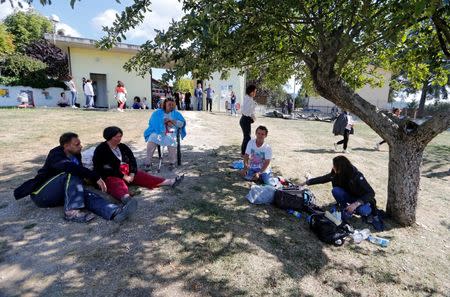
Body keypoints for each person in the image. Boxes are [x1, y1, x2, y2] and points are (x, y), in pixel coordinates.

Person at [13, 132, 137, 223]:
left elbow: (81, 174)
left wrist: (95, 181)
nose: (81, 146)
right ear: (66, 146)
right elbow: (71, 168)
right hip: (42, 194)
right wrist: (95, 177)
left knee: (87, 194)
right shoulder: (56, 155)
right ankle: (71, 212)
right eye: (77, 144)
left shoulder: (76, 155)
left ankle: (115, 213)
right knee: (71, 173)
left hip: (63, 193)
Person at [93, 126, 184, 203]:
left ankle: (170, 182)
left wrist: (132, 173)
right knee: (117, 184)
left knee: (143, 176)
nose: (119, 138)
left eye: (120, 136)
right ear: (109, 137)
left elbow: (132, 159)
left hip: (127, 172)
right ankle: (126, 198)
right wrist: (123, 176)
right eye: (117, 137)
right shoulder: (101, 149)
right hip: (111, 175)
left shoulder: (122, 146)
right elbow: (104, 167)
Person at [301, 155, 384, 231]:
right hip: (349, 196)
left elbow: (371, 193)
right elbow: (323, 179)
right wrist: (306, 182)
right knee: (336, 190)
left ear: (341, 167)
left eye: (334, 166)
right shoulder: (336, 174)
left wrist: (356, 204)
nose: (333, 167)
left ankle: (367, 213)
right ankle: (345, 208)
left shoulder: (356, 176)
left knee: (363, 210)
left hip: (360, 200)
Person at [144, 98, 186, 169]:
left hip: (171, 132)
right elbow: (153, 123)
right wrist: (163, 122)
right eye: (169, 104)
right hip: (158, 132)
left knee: (172, 139)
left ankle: (172, 162)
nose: (171, 106)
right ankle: (148, 162)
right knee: (152, 138)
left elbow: (181, 124)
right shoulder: (157, 113)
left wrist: (173, 121)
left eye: (173, 105)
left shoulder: (176, 113)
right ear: (164, 105)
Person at [240, 84, 257, 156]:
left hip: (246, 119)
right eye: (254, 91)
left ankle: (244, 153)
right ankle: (244, 153)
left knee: (247, 137)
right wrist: (254, 105)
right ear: (251, 91)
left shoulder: (249, 99)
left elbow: (251, 112)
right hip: (245, 119)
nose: (255, 93)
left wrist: (253, 118)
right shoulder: (248, 99)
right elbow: (246, 111)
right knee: (247, 137)